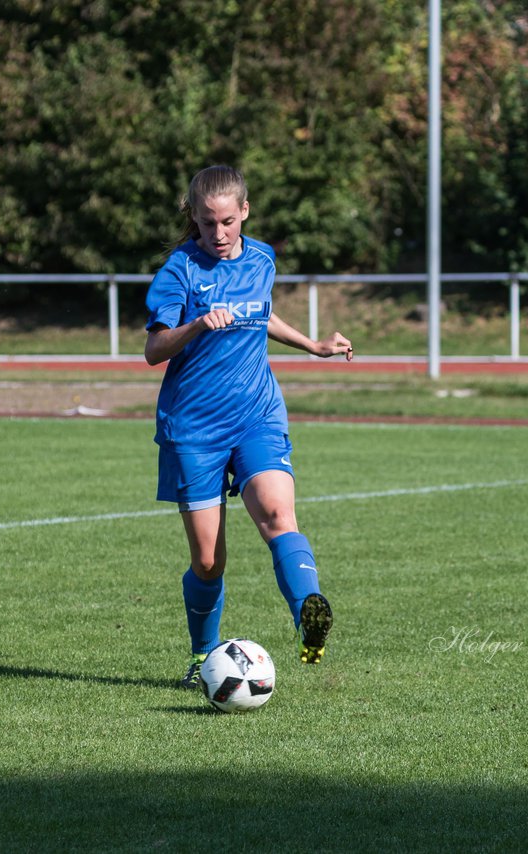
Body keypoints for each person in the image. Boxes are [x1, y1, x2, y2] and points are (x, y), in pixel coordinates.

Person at [144, 165, 354, 689]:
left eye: (227, 222)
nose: (218, 234)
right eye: (207, 223)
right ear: (192, 216)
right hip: (192, 427)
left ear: (245, 213)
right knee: (210, 561)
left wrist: (314, 346)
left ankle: (310, 615)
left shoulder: (262, 257)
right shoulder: (179, 271)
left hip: (256, 413)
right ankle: (200, 657)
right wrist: (195, 325)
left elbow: (261, 314)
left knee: (279, 515)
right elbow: (153, 350)